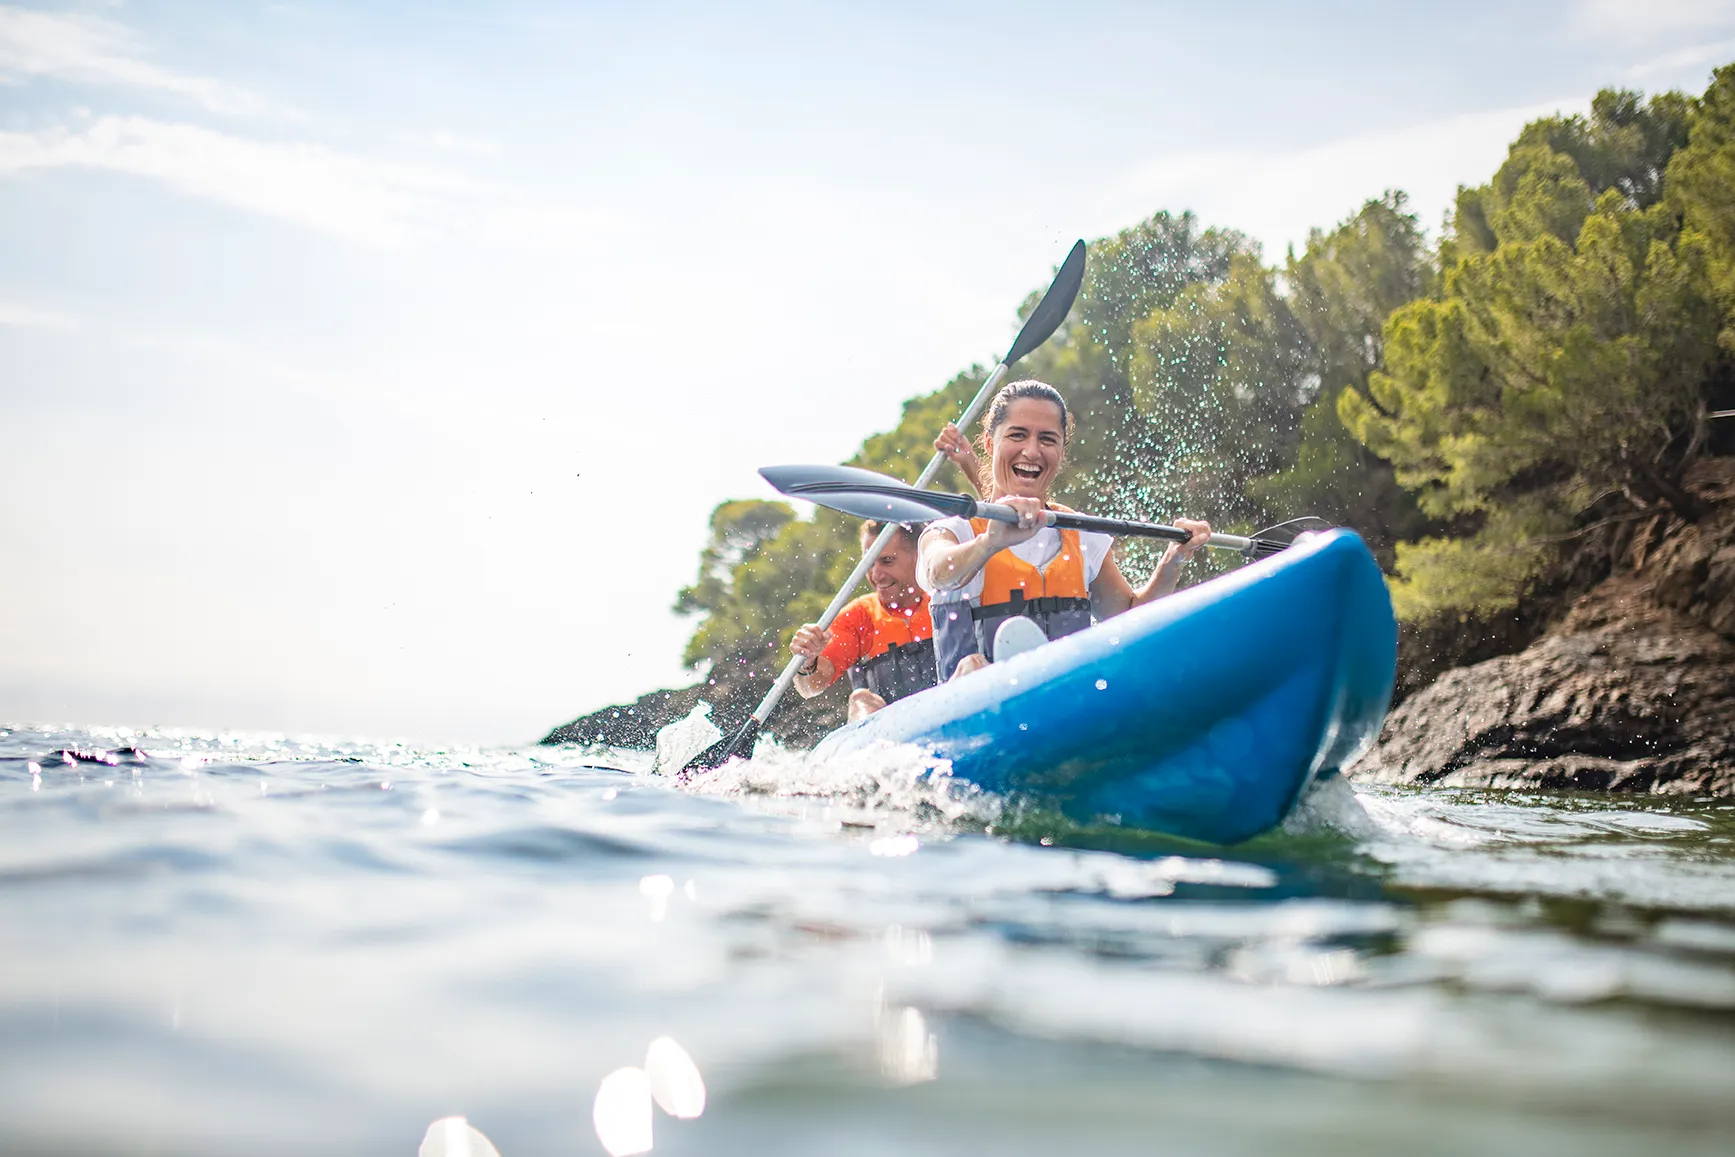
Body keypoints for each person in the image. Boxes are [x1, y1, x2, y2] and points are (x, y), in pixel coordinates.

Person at [919, 379, 1212, 681]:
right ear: (991, 443)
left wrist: (1173, 560)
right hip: (976, 715)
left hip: (1065, 704)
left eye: (1047, 439)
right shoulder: (952, 531)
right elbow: (939, 573)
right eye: (1017, 435)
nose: (1032, 451)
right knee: (972, 668)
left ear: (1061, 451)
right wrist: (989, 544)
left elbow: (1130, 616)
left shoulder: (1080, 534)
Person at [788, 519, 938, 722]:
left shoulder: (947, 601)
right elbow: (810, 687)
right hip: (890, 734)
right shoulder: (858, 617)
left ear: (918, 556)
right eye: (869, 562)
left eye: (887, 561)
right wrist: (807, 662)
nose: (876, 575)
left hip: (949, 712)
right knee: (861, 699)